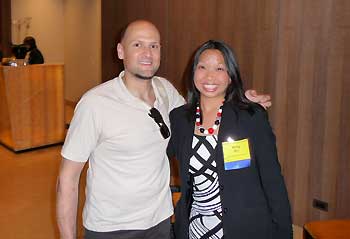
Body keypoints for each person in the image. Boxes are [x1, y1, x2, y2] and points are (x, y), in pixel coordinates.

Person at [56, 20, 271, 239]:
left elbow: (202, 113)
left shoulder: (165, 91)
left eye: (154, 46)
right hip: (112, 228)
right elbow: (67, 180)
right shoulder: (95, 104)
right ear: (121, 51)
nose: (147, 53)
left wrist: (241, 103)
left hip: (161, 221)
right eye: (137, 45)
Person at [167, 40, 292, 239]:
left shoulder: (250, 117)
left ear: (231, 76)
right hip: (195, 228)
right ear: (193, 73)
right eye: (202, 67)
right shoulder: (179, 119)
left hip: (245, 227)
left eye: (219, 68)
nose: (210, 76)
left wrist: (284, 233)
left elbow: (273, 180)